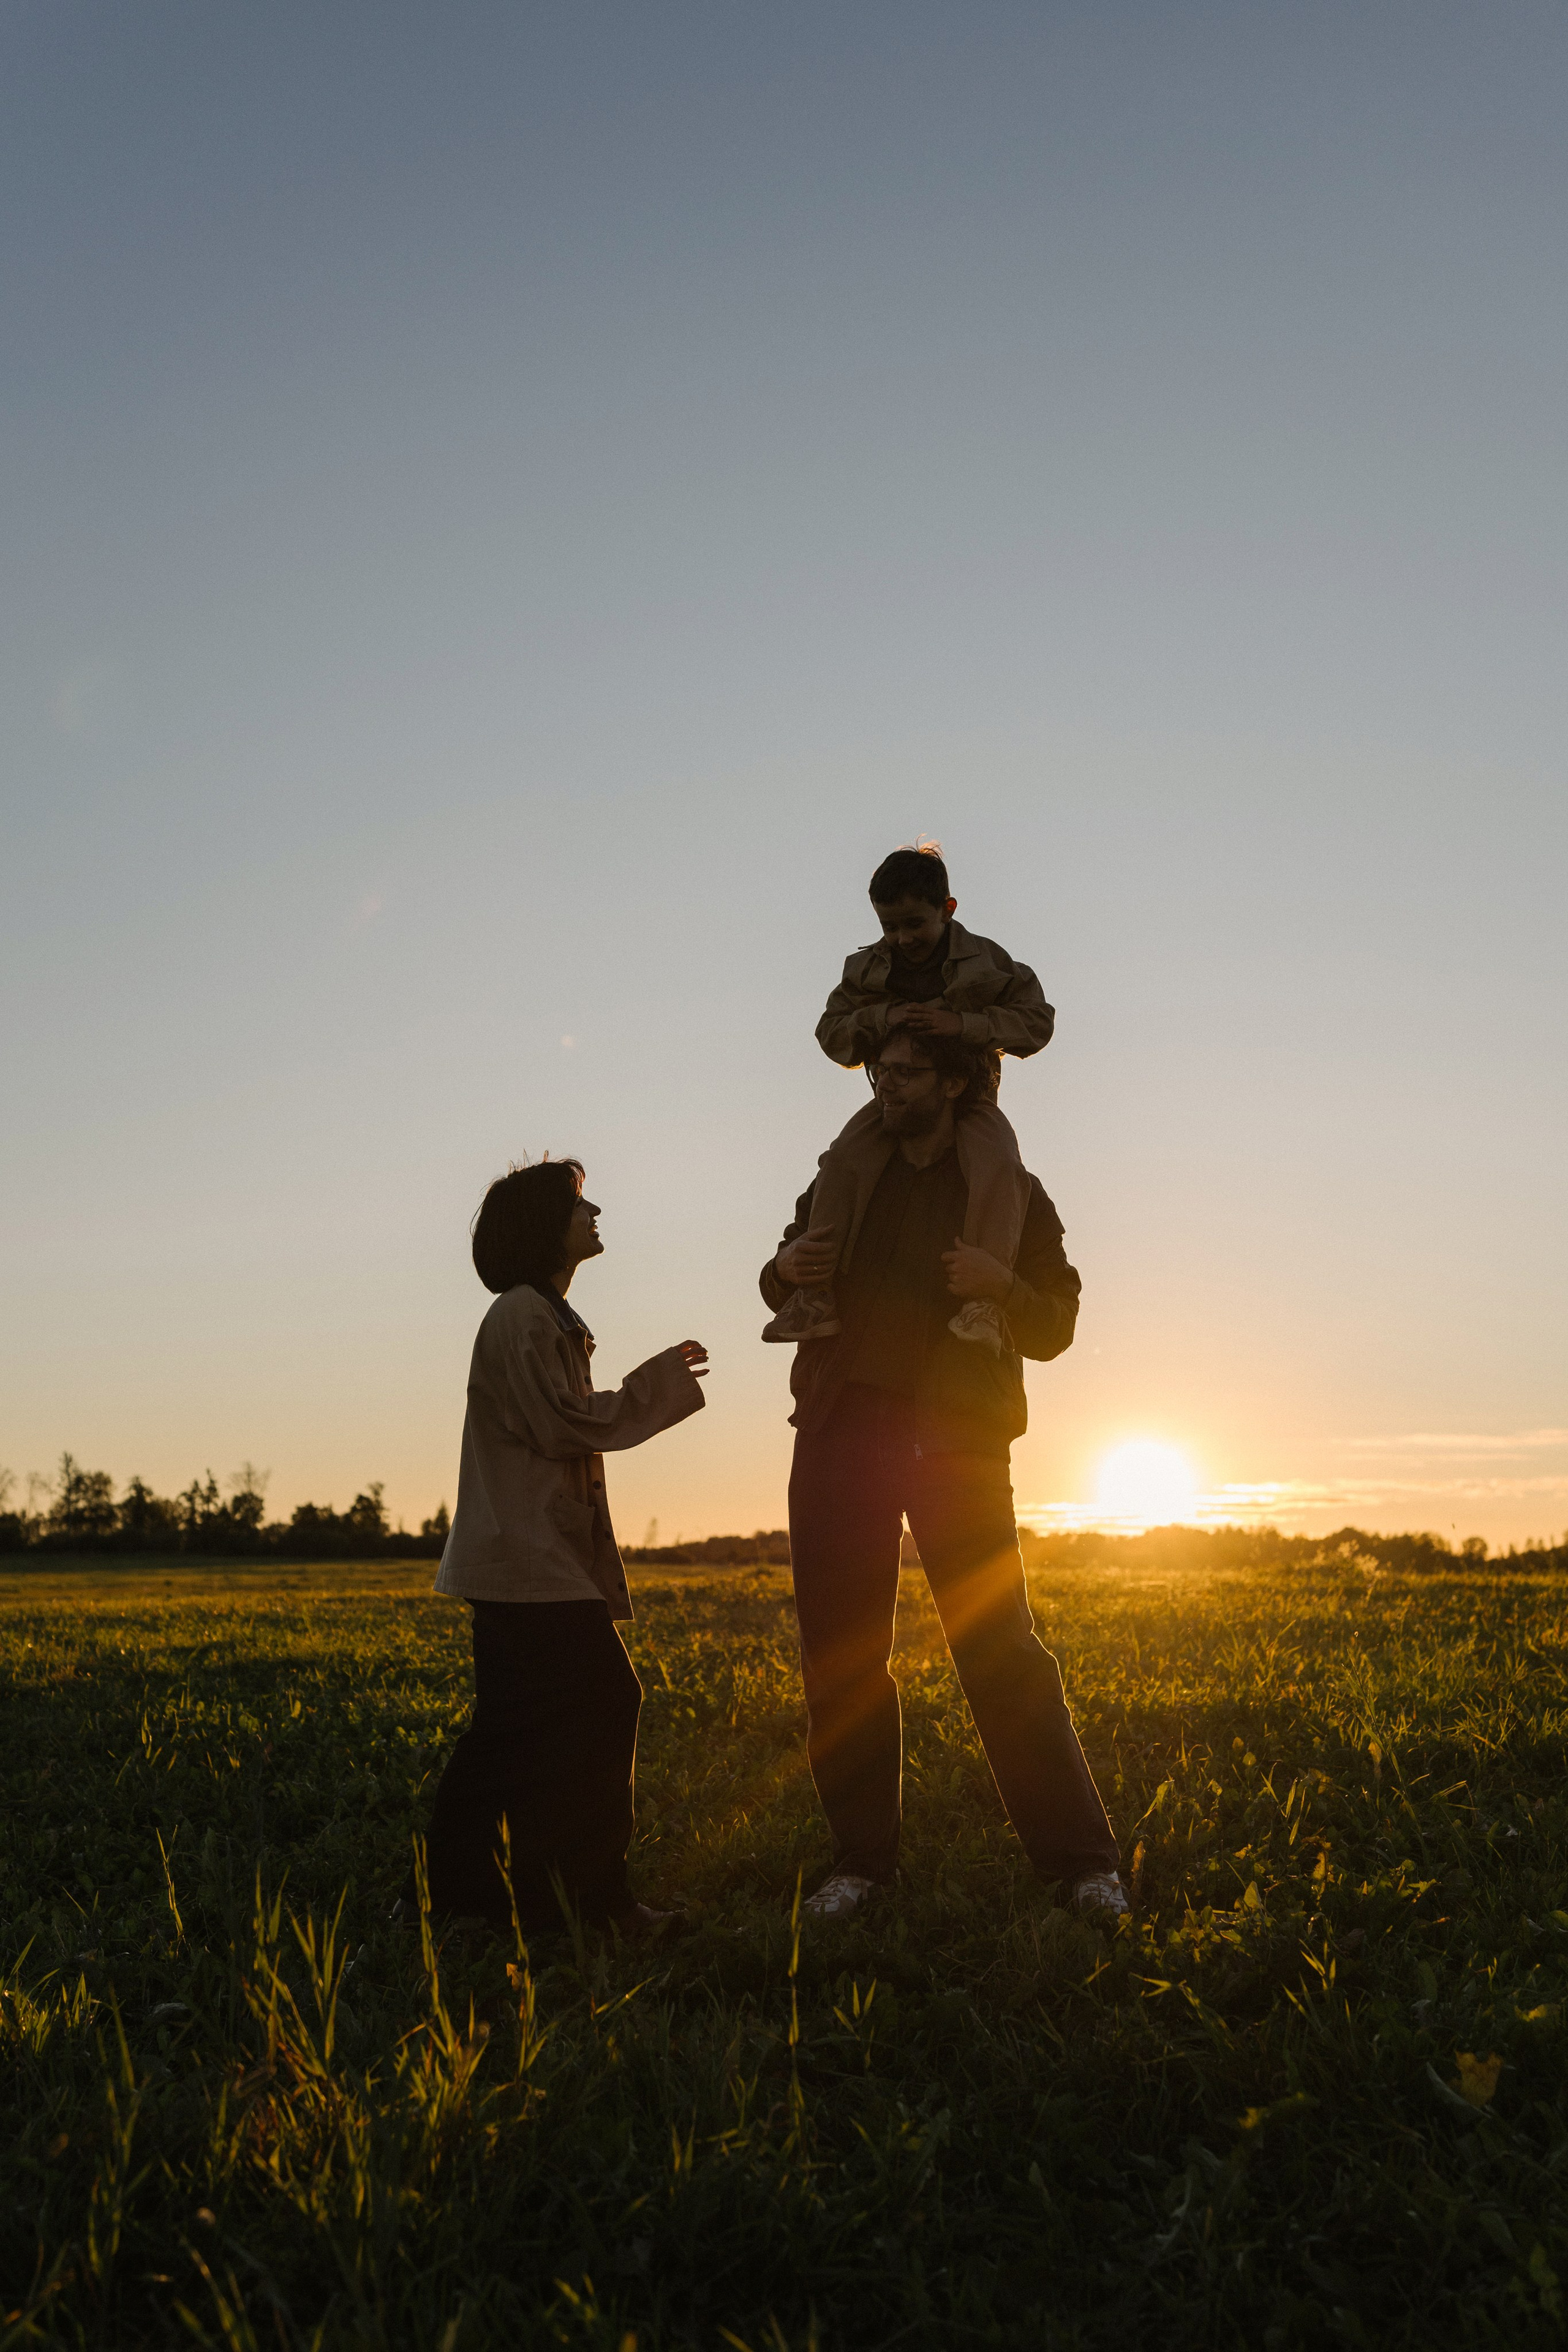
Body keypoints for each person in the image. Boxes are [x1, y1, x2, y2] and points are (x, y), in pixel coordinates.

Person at [760, 1028, 1127, 1923]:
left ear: (958, 1081)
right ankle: (861, 1866)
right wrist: (782, 1269)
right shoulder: (842, 1177)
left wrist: (998, 1285)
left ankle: (1084, 1866)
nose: (886, 1084)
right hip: (841, 1431)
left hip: (958, 1441)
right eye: (878, 1070)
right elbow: (780, 1277)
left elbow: (1056, 1324)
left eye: (907, 1071)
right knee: (840, 1658)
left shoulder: (1013, 1195)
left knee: (999, 1650)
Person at [403, 1157, 708, 1941]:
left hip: (526, 1558)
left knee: (509, 1732)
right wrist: (659, 1387)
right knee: (603, 1706)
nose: (595, 1210)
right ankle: (591, 1908)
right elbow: (562, 1424)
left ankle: (469, 1907)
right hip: (527, 1561)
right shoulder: (524, 1316)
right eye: (579, 1204)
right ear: (545, 1227)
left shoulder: (537, 1315)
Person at [761, 840, 1054, 1357]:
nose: (903, 938)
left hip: (971, 1096)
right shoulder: (867, 969)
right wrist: (884, 1018)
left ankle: (982, 1305)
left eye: (915, 924)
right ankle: (814, 1296)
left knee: (1000, 1165)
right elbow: (831, 1033)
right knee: (842, 1161)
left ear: (948, 910)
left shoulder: (988, 961)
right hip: (893, 1102)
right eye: (889, 927)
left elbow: (1037, 1021)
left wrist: (963, 1025)